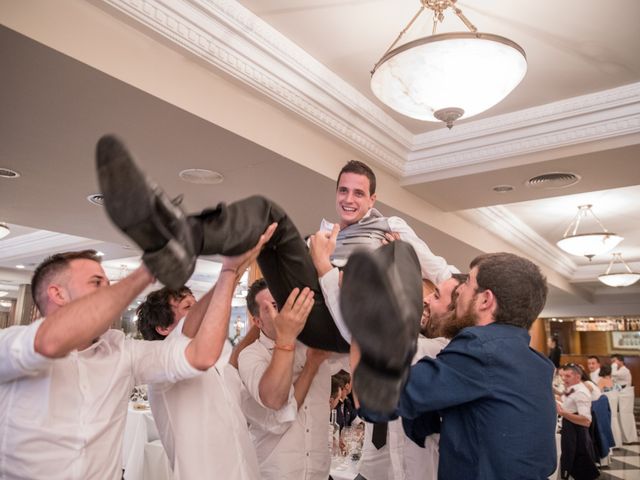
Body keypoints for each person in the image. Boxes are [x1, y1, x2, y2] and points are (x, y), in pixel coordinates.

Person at [97, 136, 454, 354]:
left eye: (358, 193)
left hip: (345, 328)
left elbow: (441, 271)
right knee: (268, 222)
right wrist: (318, 257)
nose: (349, 199)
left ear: (372, 199)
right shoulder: (324, 233)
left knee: (275, 220)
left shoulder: (391, 228)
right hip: (310, 309)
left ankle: (179, 239)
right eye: (343, 190)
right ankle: (178, 238)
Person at [0, 247, 252, 479]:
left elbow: (202, 355)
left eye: (108, 284)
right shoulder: (10, 345)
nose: (108, 291)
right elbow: (51, 343)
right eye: (96, 283)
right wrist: (148, 271)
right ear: (58, 293)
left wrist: (229, 273)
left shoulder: (123, 351)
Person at [347, 251, 557, 480]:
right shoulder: (537, 363)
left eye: (468, 283)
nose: (460, 290)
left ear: (485, 300)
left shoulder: (480, 348)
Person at [135, 226, 272, 480]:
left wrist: (243, 263)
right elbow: (188, 330)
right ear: (164, 328)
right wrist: (228, 272)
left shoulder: (219, 360)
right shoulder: (161, 365)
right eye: (188, 306)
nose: (200, 310)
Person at [357, 275, 466, 480]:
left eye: (435, 295)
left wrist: (327, 273)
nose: (425, 300)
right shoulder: (420, 342)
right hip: (375, 468)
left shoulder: (437, 352)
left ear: (454, 311)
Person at [237, 279, 336, 480]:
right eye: (272, 307)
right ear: (257, 321)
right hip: (276, 473)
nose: (282, 312)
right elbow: (277, 410)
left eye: (282, 303)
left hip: (319, 471)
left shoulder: (315, 344)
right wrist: (311, 366)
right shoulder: (250, 356)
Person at [557, 364, 599, 480]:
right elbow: (563, 397)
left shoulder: (581, 392)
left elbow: (586, 421)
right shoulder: (573, 388)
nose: (564, 379)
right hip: (569, 427)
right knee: (570, 458)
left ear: (578, 377)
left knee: (578, 461)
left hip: (577, 432)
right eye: (563, 376)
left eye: (568, 376)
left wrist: (563, 413)